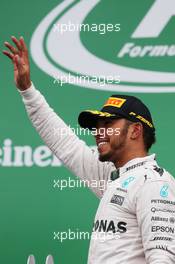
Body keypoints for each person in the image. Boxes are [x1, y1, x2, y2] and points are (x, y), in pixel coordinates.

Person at [3, 36, 175, 264]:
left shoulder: (153, 184)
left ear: (135, 131)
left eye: (108, 125)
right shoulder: (112, 177)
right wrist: (27, 90)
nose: (98, 132)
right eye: (96, 126)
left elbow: (162, 260)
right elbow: (64, 143)